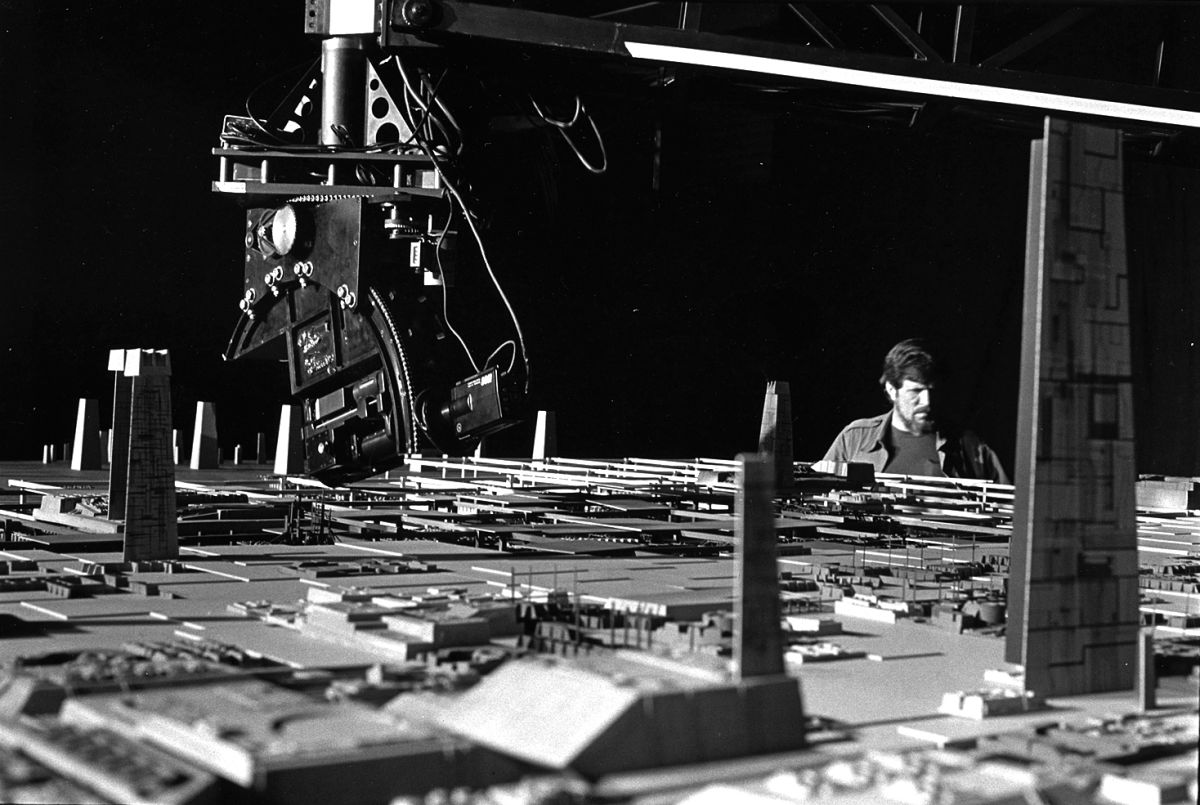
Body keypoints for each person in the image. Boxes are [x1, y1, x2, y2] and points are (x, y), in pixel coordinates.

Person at [821, 339, 1009, 482]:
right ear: (891, 390)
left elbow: (1011, 512)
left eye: (932, 390)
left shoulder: (971, 447)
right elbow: (816, 497)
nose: (927, 401)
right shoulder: (854, 438)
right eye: (916, 391)